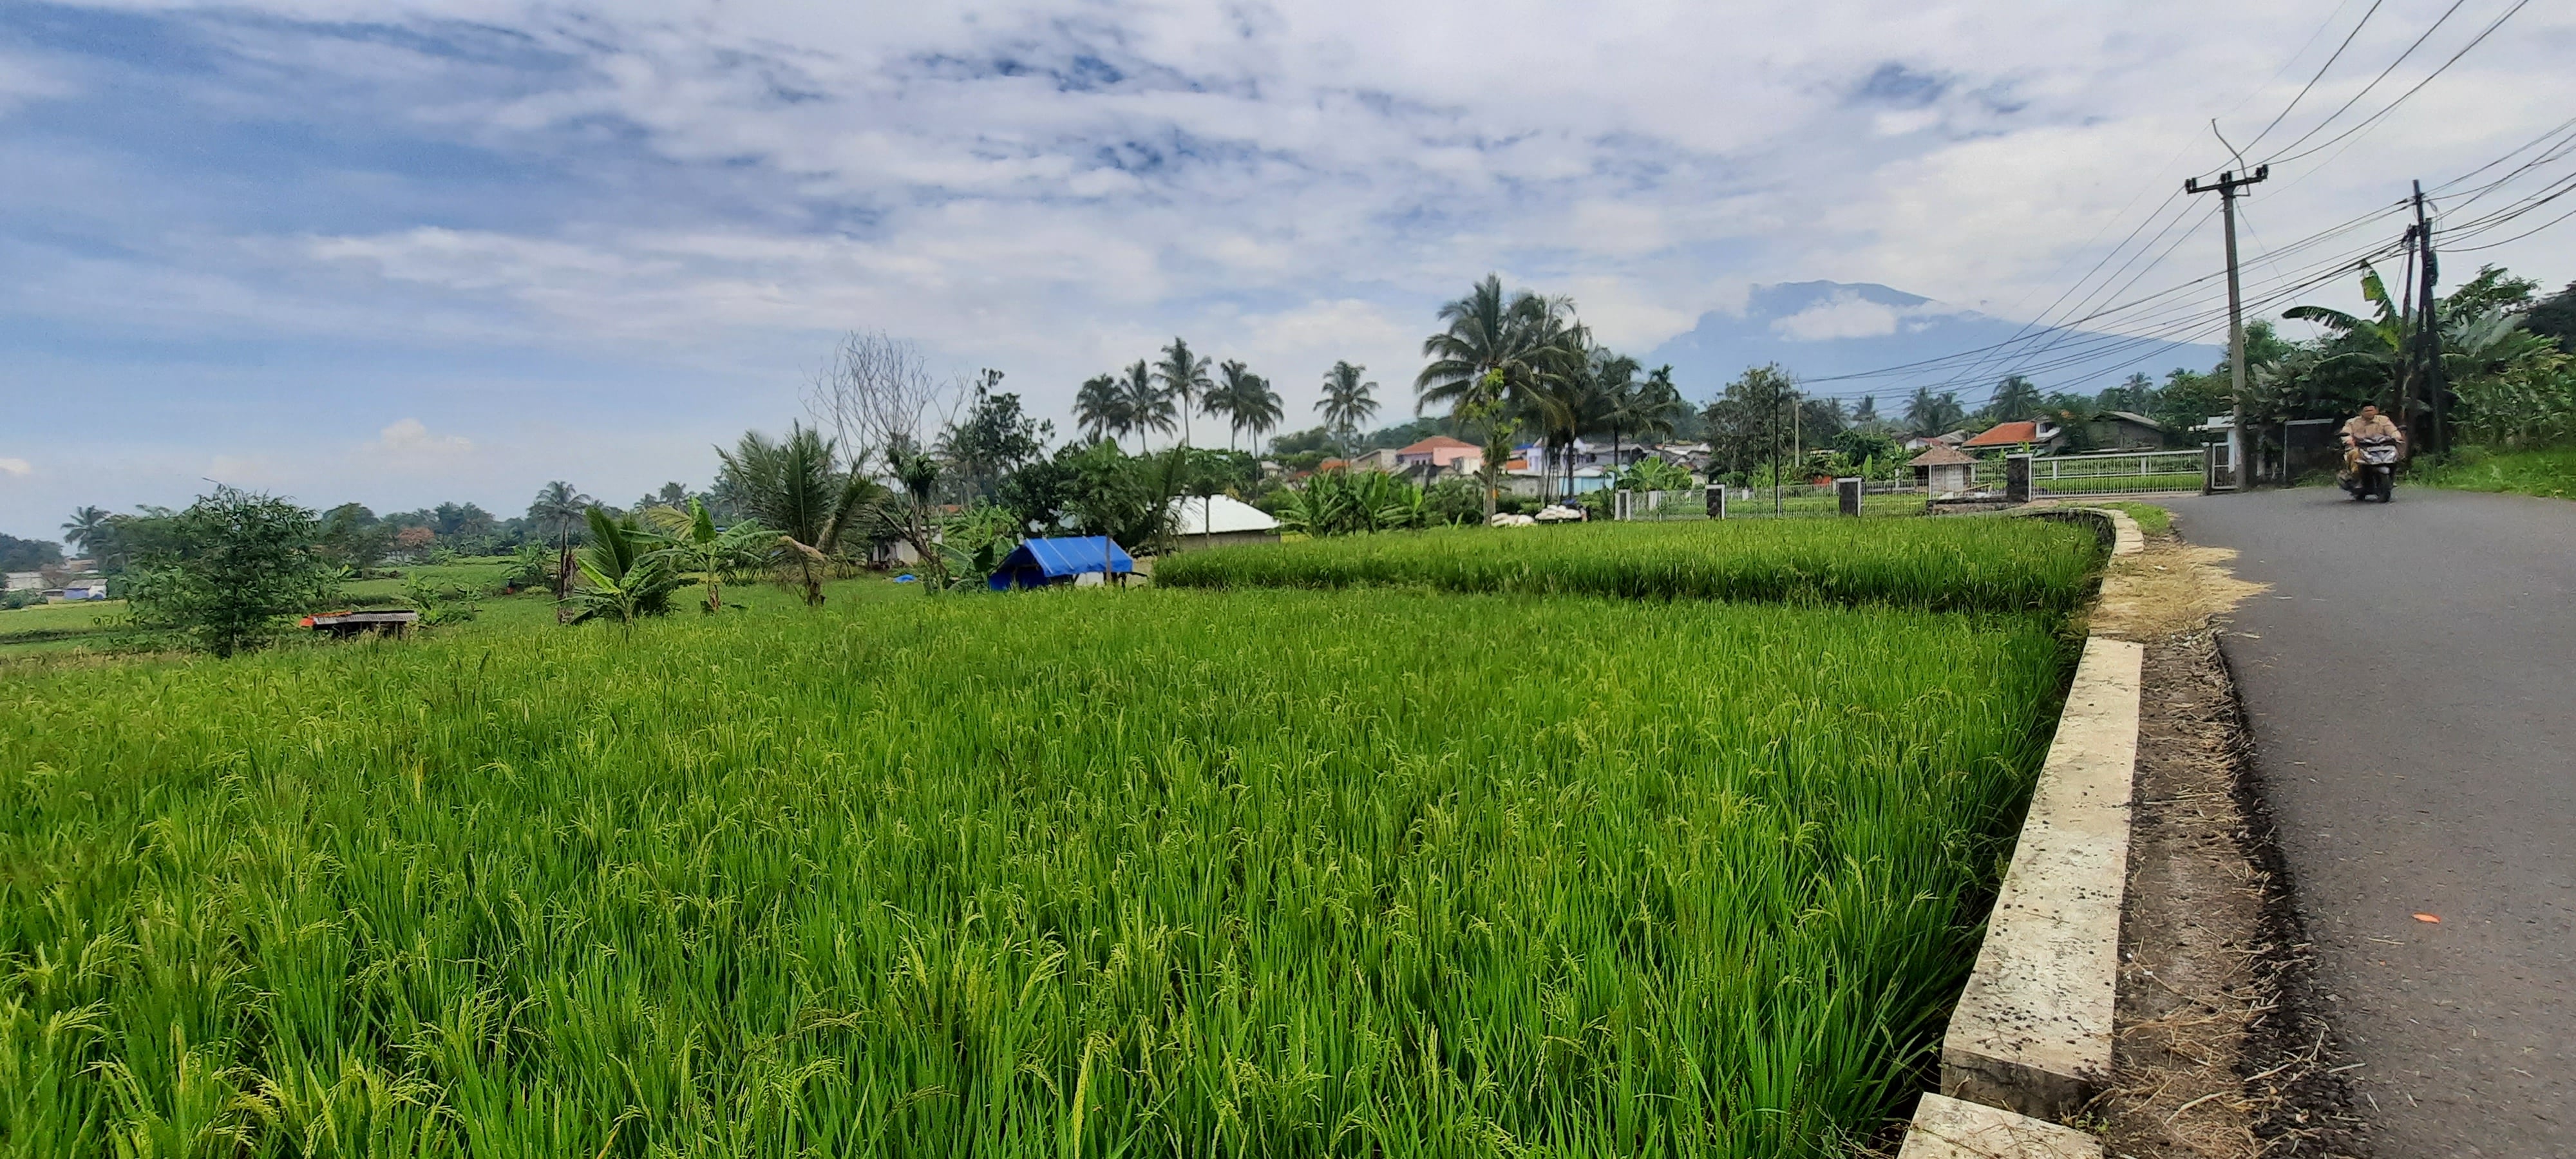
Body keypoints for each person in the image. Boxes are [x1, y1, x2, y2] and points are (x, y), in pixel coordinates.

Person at [2342, 404, 2404, 475]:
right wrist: (2348, 440)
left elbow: (2392, 431)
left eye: (2371, 410)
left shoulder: (2383, 420)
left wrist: (2397, 437)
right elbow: (2346, 433)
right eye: (2367, 411)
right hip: (2360, 447)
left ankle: (2392, 476)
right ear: (2360, 412)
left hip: (2381, 447)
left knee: (2394, 453)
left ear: (2376, 411)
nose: (2369, 413)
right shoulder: (2352, 422)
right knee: (2354, 454)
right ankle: (2356, 477)